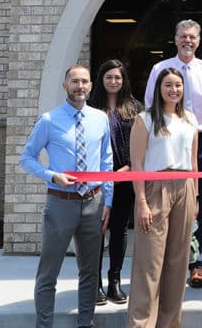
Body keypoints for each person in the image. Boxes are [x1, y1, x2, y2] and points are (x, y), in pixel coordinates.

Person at [20, 64, 114, 328]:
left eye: (84, 81)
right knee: (49, 272)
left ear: (91, 86)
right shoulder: (49, 120)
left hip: (93, 203)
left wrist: (108, 200)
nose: (80, 86)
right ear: (65, 86)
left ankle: (86, 322)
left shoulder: (100, 119)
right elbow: (26, 159)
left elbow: (107, 162)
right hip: (60, 203)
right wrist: (52, 175)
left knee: (89, 271)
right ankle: (44, 324)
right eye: (74, 81)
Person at [143, 19, 202, 288]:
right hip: (167, 140)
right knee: (164, 201)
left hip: (200, 141)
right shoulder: (160, 69)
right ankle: (167, 261)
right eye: (183, 37)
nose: (187, 41)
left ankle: (197, 264)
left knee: (197, 204)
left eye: (192, 37)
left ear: (198, 41)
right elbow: (149, 106)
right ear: (175, 39)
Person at [127, 67, 198, 328]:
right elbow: (136, 164)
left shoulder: (190, 119)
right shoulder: (144, 120)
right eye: (168, 85)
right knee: (149, 262)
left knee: (178, 261)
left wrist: (196, 198)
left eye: (178, 85)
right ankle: (142, 323)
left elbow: (193, 162)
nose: (174, 90)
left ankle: (168, 323)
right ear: (158, 88)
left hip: (185, 187)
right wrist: (142, 202)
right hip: (155, 188)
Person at [90, 59, 143, 304]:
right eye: (109, 77)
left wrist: (129, 167)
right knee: (98, 231)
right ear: (101, 80)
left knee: (119, 230)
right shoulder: (90, 107)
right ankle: (95, 283)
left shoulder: (134, 107)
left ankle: (114, 281)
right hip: (98, 182)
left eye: (118, 77)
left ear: (124, 81)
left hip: (125, 178)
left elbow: (143, 143)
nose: (113, 81)